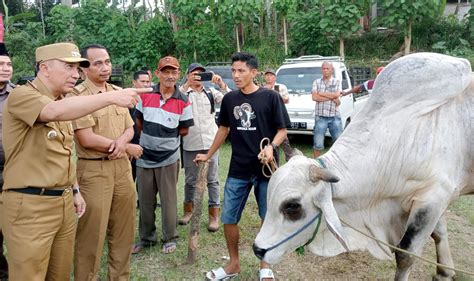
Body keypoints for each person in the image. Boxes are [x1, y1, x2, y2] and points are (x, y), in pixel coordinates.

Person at [1, 42, 142, 281]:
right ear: (45, 68)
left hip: (64, 200)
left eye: (77, 68)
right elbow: (53, 113)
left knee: (60, 275)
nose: (75, 74)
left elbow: (64, 152)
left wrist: (75, 189)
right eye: (69, 67)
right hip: (31, 204)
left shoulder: (63, 100)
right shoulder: (22, 95)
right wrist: (111, 97)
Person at [195, 52, 290, 280]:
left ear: (253, 73)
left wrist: (271, 147)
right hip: (238, 168)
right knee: (228, 217)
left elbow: (282, 130)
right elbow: (223, 130)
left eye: (241, 71)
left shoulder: (270, 97)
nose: (236, 75)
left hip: (265, 168)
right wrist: (208, 154)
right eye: (234, 71)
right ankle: (233, 265)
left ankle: (265, 265)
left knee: (267, 218)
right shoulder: (230, 100)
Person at [70, 44, 143, 281]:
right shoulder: (78, 97)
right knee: (91, 236)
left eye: (107, 62)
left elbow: (130, 128)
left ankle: (120, 277)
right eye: (97, 63)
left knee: (123, 231)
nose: (105, 68)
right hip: (93, 170)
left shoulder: (117, 91)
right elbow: (86, 138)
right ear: (83, 69)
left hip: (121, 168)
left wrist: (122, 144)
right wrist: (122, 145)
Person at [132, 56, 194, 254]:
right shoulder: (146, 95)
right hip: (144, 157)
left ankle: (170, 237)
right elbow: (139, 123)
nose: (169, 76)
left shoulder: (183, 100)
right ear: (157, 74)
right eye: (165, 72)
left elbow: (184, 130)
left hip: (169, 158)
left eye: (173, 72)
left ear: (178, 74)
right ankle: (147, 238)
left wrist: (165, 141)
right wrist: (150, 141)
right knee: (145, 199)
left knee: (168, 199)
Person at [177, 63, 230, 231]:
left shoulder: (211, 92)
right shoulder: (183, 92)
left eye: (201, 74)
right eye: (194, 74)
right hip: (190, 142)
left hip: (210, 142)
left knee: (213, 180)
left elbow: (230, 99)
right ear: (187, 75)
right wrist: (187, 84)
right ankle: (188, 211)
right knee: (190, 180)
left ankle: (214, 215)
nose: (198, 77)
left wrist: (220, 84)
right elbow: (175, 99)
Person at [0, 28, 14, 279]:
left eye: (9, 64)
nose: (6, 68)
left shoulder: (20, 95)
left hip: (13, 170)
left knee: (15, 227)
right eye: (1, 64)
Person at [311, 61, 342, 158]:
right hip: (320, 117)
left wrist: (321, 93)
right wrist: (332, 96)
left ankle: (339, 161)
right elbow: (314, 97)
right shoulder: (316, 82)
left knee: (338, 142)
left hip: (334, 117)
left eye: (327, 68)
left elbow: (338, 99)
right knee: (318, 143)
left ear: (332, 70)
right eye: (323, 68)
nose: (325, 70)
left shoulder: (337, 82)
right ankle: (315, 163)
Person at [130, 70, 151, 182]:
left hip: (147, 148)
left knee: (146, 185)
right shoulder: (127, 101)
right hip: (131, 148)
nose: (146, 84)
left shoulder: (153, 100)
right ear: (134, 82)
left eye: (148, 81)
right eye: (143, 81)